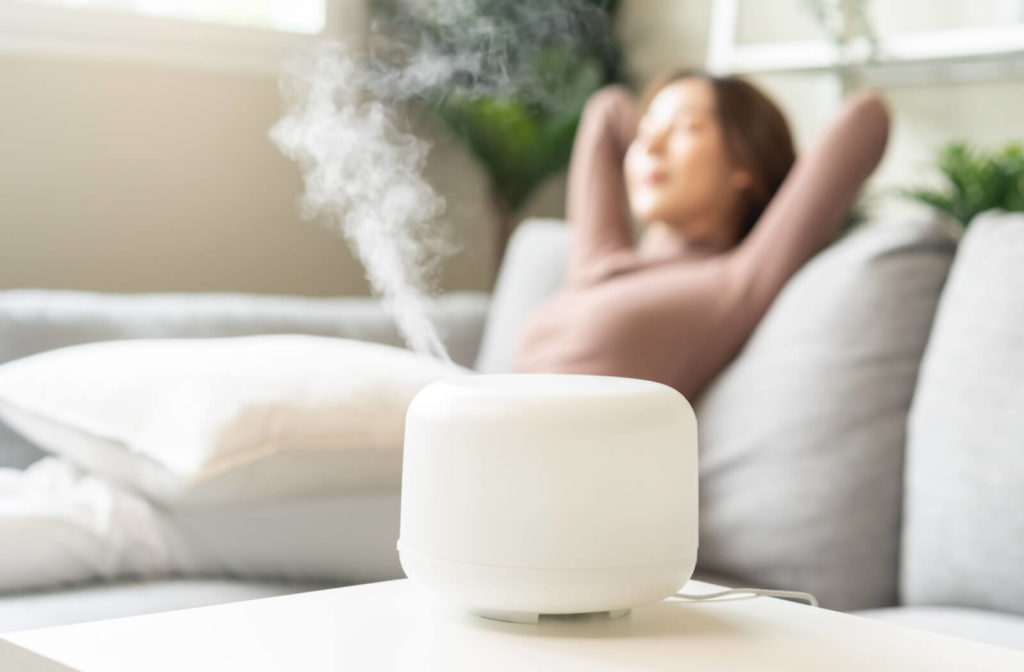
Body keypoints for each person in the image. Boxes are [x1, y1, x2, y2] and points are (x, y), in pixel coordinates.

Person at [511, 70, 890, 400]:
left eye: (687, 128)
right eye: (645, 130)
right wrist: (665, 137)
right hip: (482, 457)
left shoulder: (732, 282)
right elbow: (607, 110)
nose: (651, 145)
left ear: (744, 162)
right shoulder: (598, 262)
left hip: (551, 475)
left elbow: (866, 116)